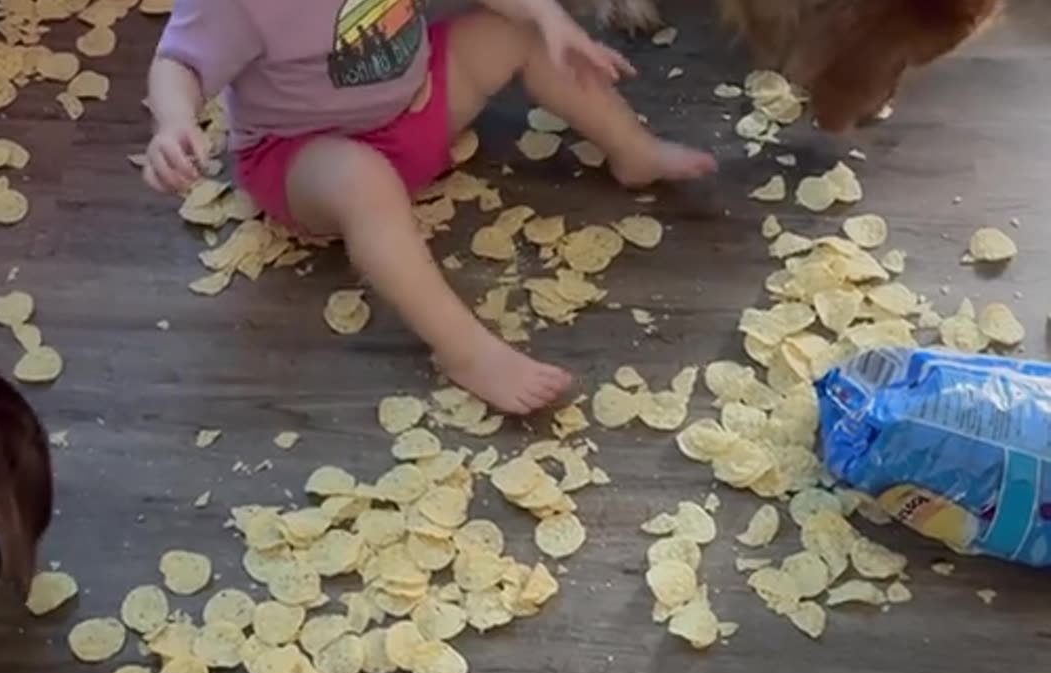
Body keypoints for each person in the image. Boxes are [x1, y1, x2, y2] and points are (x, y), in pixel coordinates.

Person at [144, 0, 717, 414]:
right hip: (304, 159)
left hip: (415, 107)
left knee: (517, 33)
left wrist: (548, 16)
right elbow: (181, 64)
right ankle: (465, 351)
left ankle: (632, 150)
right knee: (362, 180)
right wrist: (174, 123)